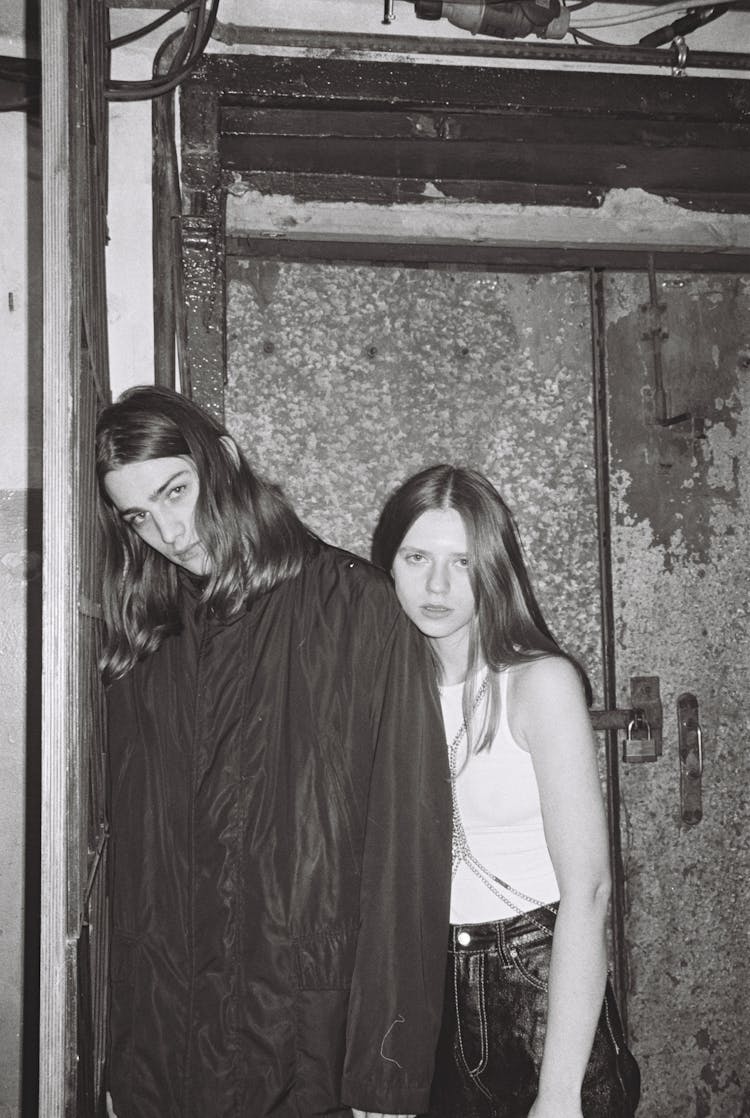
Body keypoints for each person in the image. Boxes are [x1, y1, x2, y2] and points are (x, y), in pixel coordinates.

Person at [95, 386, 452, 1118]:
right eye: (139, 515)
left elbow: (407, 857)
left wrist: (388, 1076)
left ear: (223, 461)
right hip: (169, 1048)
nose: (167, 528)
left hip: (308, 1039)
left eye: (176, 491)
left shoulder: (361, 611)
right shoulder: (148, 640)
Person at [371, 465, 641, 1118]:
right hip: (426, 976)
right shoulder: (379, 685)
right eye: (416, 558)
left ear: (493, 568)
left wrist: (559, 1093)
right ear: (388, 563)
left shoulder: (537, 683)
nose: (436, 586)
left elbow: (590, 890)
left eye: (462, 562)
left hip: (535, 974)